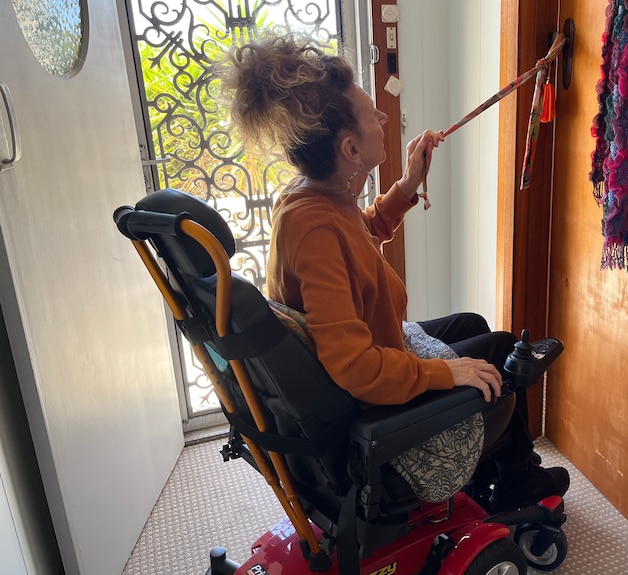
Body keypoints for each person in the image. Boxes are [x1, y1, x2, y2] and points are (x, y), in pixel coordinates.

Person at [218, 33, 568, 511]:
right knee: (504, 353)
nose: (384, 117)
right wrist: (446, 372)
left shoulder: (312, 198)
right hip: (372, 413)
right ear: (351, 150)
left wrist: (408, 185)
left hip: (373, 357)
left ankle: (502, 469)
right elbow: (357, 369)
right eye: (371, 115)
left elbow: (359, 235)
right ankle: (516, 482)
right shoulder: (315, 229)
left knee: (472, 327)